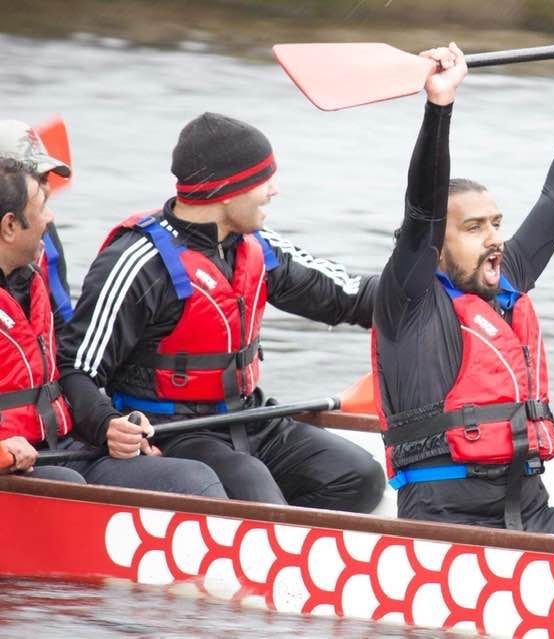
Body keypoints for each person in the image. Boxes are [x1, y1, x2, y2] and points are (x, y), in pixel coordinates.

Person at [372, 23, 554, 542]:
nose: (495, 239)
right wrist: (439, 107)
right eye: (473, 227)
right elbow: (421, 208)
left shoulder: (505, 282)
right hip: (444, 528)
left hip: (531, 514)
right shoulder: (410, 301)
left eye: (496, 224)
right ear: (437, 249)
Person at [57, 112, 385, 511]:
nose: (274, 191)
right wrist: (108, 425)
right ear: (228, 191)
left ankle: (292, 534)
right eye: (264, 180)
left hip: (248, 417)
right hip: (173, 431)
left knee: (358, 475)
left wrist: (432, 285)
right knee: (251, 481)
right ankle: (271, 536)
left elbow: (347, 297)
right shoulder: (137, 262)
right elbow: (76, 368)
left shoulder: (258, 246)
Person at [0, 157, 226, 497]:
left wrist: (108, 425)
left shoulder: (30, 280)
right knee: (68, 490)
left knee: (191, 479)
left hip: (59, 447)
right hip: (14, 466)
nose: (50, 218)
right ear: (10, 226)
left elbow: (64, 371)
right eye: (42, 206)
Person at [0, 120, 73, 331]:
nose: (48, 189)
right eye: (38, 178)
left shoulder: (43, 230)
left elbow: (63, 321)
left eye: (46, 178)